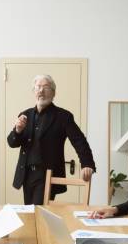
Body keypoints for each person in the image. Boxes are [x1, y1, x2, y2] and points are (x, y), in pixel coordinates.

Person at [7, 74, 96, 205]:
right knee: (31, 212)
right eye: (38, 87)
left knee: (38, 212)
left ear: (53, 92)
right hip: (26, 175)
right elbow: (12, 143)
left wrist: (87, 163)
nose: (41, 90)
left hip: (47, 175)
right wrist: (18, 130)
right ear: (34, 92)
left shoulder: (63, 116)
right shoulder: (25, 115)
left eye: (46, 87)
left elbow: (79, 141)